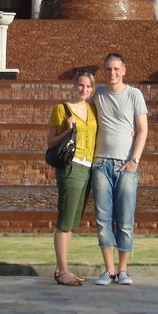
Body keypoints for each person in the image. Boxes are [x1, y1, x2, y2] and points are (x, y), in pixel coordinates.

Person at [91, 52, 148, 286]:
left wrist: (134, 160)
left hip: (126, 164)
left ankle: (123, 270)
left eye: (116, 69)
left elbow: (143, 129)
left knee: (125, 218)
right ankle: (109, 270)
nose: (112, 73)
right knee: (103, 219)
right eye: (108, 69)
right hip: (101, 163)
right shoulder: (98, 94)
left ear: (124, 70)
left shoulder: (134, 94)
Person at [45, 71, 99, 286]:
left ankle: (62, 269)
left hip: (88, 167)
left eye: (88, 87)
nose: (83, 90)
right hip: (71, 166)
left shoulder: (92, 110)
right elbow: (50, 143)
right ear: (74, 86)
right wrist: (67, 129)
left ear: (92, 90)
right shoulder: (61, 109)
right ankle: (63, 271)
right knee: (65, 221)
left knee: (72, 221)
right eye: (80, 85)